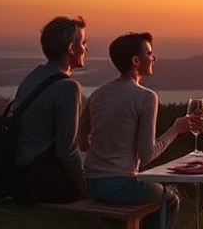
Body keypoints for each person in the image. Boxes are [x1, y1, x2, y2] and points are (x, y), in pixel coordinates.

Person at [79, 32, 189, 229]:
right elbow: (146, 155)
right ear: (136, 60)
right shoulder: (146, 97)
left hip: (91, 184)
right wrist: (176, 129)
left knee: (153, 194)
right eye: (149, 53)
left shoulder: (98, 93)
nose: (153, 58)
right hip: (119, 186)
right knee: (170, 197)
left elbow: (82, 142)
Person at [12, 15, 89, 203]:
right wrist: (86, 189)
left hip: (17, 172)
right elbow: (67, 152)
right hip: (38, 179)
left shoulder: (34, 76)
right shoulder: (69, 88)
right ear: (71, 48)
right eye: (84, 43)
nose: (86, 48)